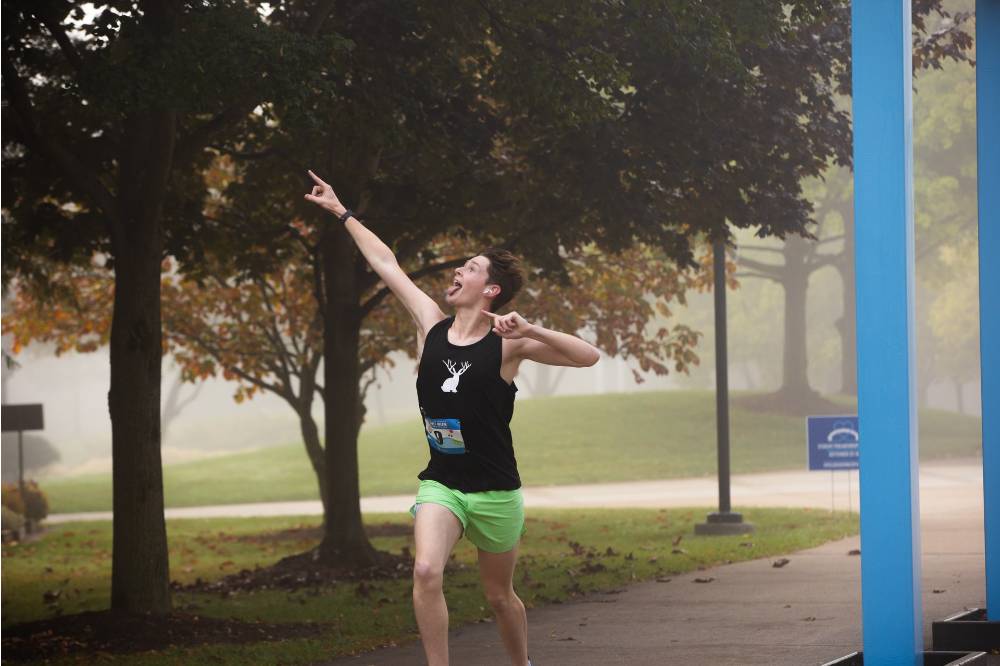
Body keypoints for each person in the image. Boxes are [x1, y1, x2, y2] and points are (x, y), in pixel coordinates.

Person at [304, 170, 600, 666]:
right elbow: (386, 262)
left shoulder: (508, 345)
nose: (458, 271)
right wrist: (341, 211)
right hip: (442, 483)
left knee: (499, 597)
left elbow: (588, 357)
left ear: (491, 289)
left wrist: (531, 329)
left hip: (496, 490)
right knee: (425, 572)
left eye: (470, 268)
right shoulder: (431, 326)